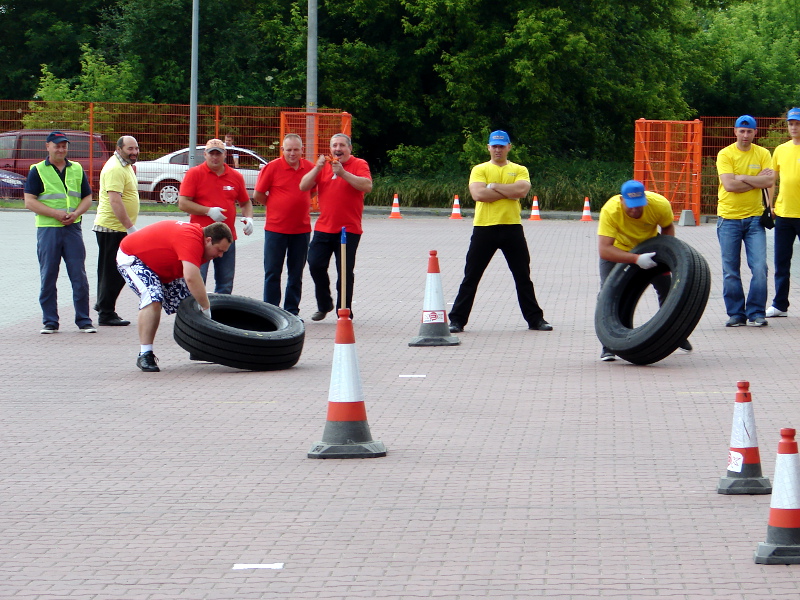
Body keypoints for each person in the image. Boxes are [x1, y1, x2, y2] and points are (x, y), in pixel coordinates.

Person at [448, 130, 551, 333]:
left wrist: (494, 186)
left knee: (523, 276)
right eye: (494, 146)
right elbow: (478, 194)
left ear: (509, 147)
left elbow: (522, 191)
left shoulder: (519, 169)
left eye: (502, 146)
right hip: (484, 228)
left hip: (512, 228)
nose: (498, 149)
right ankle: (457, 320)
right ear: (488, 147)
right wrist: (508, 192)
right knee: (471, 276)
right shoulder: (480, 169)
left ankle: (535, 319)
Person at [117, 220, 232, 372]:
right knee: (153, 297)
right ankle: (145, 354)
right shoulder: (191, 240)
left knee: (189, 302)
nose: (220, 255)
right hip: (133, 258)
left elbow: (193, 282)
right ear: (208, 240)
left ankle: (199, 348)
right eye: (219, 250)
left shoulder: (201, 242)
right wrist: (206, 306)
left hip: (160, 265)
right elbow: (191, 277)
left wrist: (201, 304)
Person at [596, 180, 692, 361]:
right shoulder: (610, 210)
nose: (635, 210)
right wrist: (635, 259)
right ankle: (609, 345)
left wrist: (665, 253)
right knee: (608, 295)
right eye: (630, 206)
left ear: (645, 199)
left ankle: (676, 334)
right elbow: (605, 250)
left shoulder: (659, 205)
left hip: (650, 247)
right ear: (621, 200)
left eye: (639, 205)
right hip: (619, 249)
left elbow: (667, 226)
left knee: (668, 289)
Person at [23, 130, 96, 334]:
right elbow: (29, 201)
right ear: (48, 147)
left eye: (64, 146)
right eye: (57, 146)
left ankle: (84, 320)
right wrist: (55, 214)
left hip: (72, 228)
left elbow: (87, 197)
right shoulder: (37, 170)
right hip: (48, 229)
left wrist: (76, 213)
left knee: (78, 275)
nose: (61, 149)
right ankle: (50, 321)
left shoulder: (76, 169)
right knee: (48, 275)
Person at [299, 133, 372, 320]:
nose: (337, 149)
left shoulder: (359, 164)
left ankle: (344, 310)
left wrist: (343, 173)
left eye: (341, 145)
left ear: (349, 148)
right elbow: (303, 186)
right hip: (324, 227)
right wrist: (317, 167)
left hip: (348, 229)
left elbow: (367, 186)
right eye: (334, 146)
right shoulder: (324, 166)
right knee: (315, 264)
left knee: (345, 271)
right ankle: (325, 304)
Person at [716, 115, 775, 327]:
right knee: (731, 270)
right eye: (742, 131)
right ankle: (736, 314)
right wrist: (756, 180)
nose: (745, 135)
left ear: (755, 132)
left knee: (760, 268)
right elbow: (729, 186)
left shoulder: (763, 153)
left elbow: (770, 180)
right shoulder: (725, 154)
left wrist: (743, 177)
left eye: (749, 131)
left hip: (755, 220)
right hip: (728, 219)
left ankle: (756, 312)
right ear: (735, 131)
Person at [177, 138, 254, 294]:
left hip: (227, 237)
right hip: (200, 237)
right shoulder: (194, 174)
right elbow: (183, 203)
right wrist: (208, 211)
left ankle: (222, 310)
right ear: (205, 154)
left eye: (218, 154)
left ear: (224, 154)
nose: (214, 157)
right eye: (211, 153)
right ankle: (196, 309)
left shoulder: (235, 176)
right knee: (197, 280)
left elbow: (245, 203)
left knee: (225, 283)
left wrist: (249, 218)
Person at [253, 133, 314, 315]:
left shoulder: (310, 168)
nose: (292, 153)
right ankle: (271, 312)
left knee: (296, 274)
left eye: (296, 149)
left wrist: (298, 202)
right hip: (276, 229)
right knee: (272, 272)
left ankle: (292, 312)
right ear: (282, 150)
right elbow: (258, 194)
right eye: (288, 150)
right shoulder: (272, 168)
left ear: (302, 150)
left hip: (301, 230)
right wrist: (275, 205)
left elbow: (313, 191)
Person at [92, 135, 140, 326]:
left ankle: (103, 304)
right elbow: (115, 201)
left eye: (136, 148)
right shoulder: (115, 168)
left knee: (113, 270)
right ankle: (106, 312)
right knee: (115, 271)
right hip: (111, 228)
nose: (134, 152)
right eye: (130, 149)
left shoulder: (125, 166)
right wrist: (129, 227)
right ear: (119, 149)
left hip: (117, 228)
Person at [767, 107, 800, 318]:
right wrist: (770, 205)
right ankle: (780, 304)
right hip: (784, 214)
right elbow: (772, 180)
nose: (794, 127)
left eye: (797, 124)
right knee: (781, 261)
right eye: (791, 124)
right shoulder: (780, 150)